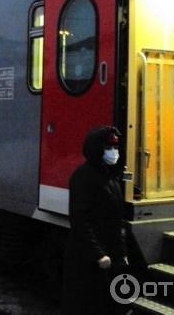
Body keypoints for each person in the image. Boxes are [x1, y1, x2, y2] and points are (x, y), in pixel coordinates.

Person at [61, 126, 128, 315]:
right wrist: (98, 254)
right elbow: (80, 219)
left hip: (107, 254)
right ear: (97, 149)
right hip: (87, 258)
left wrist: (121, 252)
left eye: (115, 148)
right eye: (108, 148)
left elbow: (117, 219)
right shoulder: (83, 177)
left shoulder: (111, 177)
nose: (113, 153)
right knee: (85, 302)